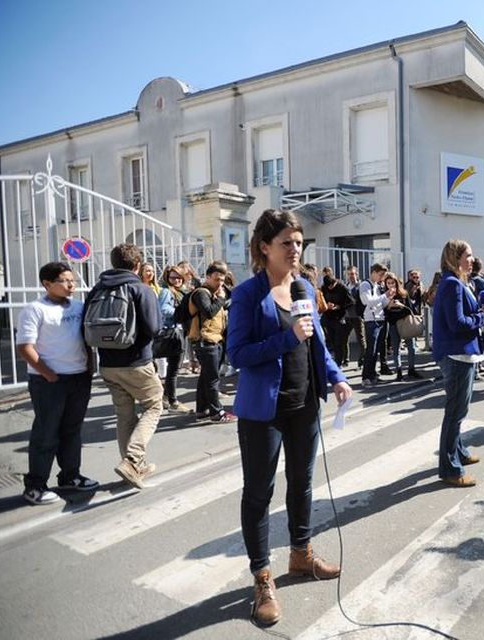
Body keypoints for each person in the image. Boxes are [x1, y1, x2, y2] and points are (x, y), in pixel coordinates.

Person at [226, 209, 352, 626]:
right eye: (287, 242)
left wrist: (335, 378)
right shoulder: (246, 294)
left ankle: (301, 555)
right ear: (265, 247)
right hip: (264, 412)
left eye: (299, 242)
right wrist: (286, 338)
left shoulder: (303, 286)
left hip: (305, 405)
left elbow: (317, 346)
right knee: (259, 493)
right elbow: (238, 354)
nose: (295, 249)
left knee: (302, 484)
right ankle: (262, 576)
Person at [16, 262, 98, 504]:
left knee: (72, 430)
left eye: (72, 280)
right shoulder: (34, 309)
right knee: (46, 432)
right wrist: (49, 374)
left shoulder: (79, 306)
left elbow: (86, 339)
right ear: (47, 284)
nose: (70, 284)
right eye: (64, 280)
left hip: (79, 377)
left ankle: (70, 476)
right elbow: (24, 347)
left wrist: (89, 367)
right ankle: (35, 486)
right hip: (48, 381)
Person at [83, 243, 162, 489]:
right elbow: (154, 327)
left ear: (113, 262)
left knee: (124, 414)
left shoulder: (97, 288)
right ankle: (132, 459)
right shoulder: (140, 288)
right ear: (137, 265)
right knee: (154, 405)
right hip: (137, 362)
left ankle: (132, 467)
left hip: (107, 364)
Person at [432, 239, 484, 488]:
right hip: (455, 355)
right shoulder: (451, 284)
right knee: (455, 413)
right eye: (467, 255)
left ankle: (459, 452)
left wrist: (482, 315)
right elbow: (457, 323)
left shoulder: (458, 283)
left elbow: (464, 317)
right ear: (455, 258)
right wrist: (481, 317)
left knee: (459, 411)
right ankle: (449, 468)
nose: (472, 259)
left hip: (461, 353)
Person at [188, 261, 235, 423]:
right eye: (216, 279)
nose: (219, 283)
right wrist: (221, 299)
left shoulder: (214, 294)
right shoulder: (201, 293)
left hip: (214, 340)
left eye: (222, 280)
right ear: (207, 277)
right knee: (212, 379)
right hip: (205, 341)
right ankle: (217, 412)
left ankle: (202, 410)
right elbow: (209, 312)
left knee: (205, 377)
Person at [157, 265, 190, 412]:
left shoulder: (181, 291)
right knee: (173, 370)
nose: (176, 280)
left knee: (173, 369)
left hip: (178, 332)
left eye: (178, 277)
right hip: (172, 333)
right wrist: (181, 312)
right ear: (167, 278)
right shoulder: (166, 291)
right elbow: (163, 309)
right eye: (172, 277)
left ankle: (165, 398)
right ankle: (173, 401)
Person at [382, 271, 420, 380]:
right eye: (388, 283)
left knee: (411, 347)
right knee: (396, 348)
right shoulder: (384, 296)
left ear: (396, 283)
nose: (391, 285)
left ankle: (411, 370)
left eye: (392, 283)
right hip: (393, 325)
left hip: (405, 323)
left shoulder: (404, 293)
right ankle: (399, 372)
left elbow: (410, 310)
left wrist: (401, 305)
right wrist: (389, 306)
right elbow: (384, 313)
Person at [358, 262, 389, 386]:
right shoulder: (365, 285)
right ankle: (366, 377)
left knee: (375, 350)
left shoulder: (376, 285)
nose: (382, 278)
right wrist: (384, 296)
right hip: (371, 320)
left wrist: (388, 298)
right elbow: (367, 302)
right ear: (374, 272)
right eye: (381, 274)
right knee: (371, 350)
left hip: (379, 319)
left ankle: (372, 375)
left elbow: (381, 304)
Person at [320, 273, 353, 365]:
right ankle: (335, 360)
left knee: (339, 342)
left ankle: (338, 362)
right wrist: (326, 305)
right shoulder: (324, 288)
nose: (330, 288)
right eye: (328, 287)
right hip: (328, 317)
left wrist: (339, 306)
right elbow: (321, 301)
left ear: (335, 282)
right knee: (331, 341)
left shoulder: (342, 288)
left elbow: (351, 302)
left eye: (331, 286)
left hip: (339, 317)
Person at [342, 266, 365, 368]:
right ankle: (346, 360)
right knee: (344, 339)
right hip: (347, 316)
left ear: (356, 274)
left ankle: (362, 360)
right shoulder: (345, 286)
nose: (351, 276)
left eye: (352, 274)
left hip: (357, 316)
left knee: (361, 339)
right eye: (349, 274)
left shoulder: (360, 286)